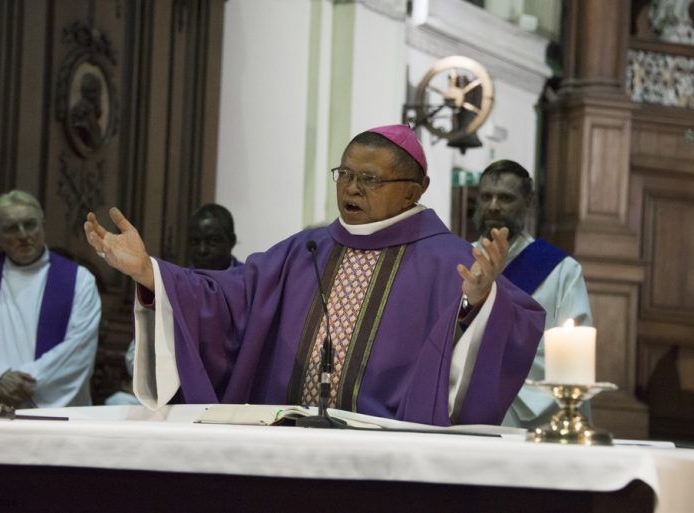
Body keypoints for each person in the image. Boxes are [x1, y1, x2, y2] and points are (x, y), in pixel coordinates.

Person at [85, 125, 545, 426]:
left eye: (370, 179)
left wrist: (478, 303)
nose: (351, 188)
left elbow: (518, 325)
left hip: (388, 453)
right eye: (345, 174)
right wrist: (150, 272)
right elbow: (228, 297)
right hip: (285, 443)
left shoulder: (450, 260)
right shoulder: (303, 251)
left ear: (413, 191)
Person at [0, 190, 101, 409]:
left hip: (48, 415)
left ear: (43, 225)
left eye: (30, 224)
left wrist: (21, 383)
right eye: (11, 228)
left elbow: (78, 348)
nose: (23, 235)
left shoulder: (80, 281)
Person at [473, 159, 593, 429]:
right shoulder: (458, 259)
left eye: (506, 198)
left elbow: (574, 352)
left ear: (528, 201)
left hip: (526, 409)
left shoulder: (561, 270)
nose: (493, 206)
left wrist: (496, 366)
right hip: (460, 401)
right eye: (486, 197)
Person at [105, 202, 242, 406]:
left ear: (231, 241)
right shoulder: (173, 284)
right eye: (195, 242)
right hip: (181, 392)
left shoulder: (246, 285)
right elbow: (138, 354)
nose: (202, 250)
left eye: (212, 241)